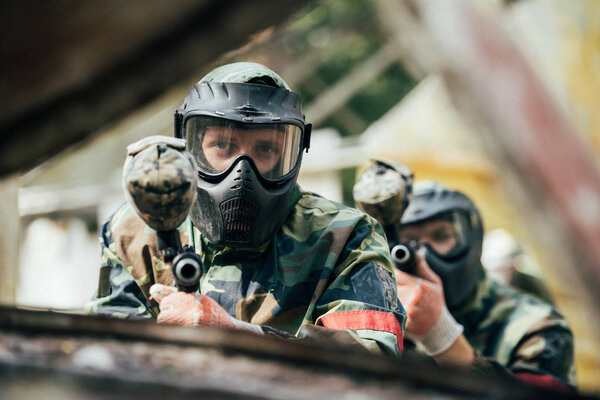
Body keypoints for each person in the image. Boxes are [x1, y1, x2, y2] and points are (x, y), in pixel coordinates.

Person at [85, 62, 406, 357]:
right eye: (223, 145)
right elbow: (106, 358)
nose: (242, 173)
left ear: (292, 154)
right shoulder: (136, 230)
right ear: (189, 143)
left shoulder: (345, 236)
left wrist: (233, 333)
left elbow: (373, 359)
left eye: (265, 149)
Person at [394, 180, 576, 390]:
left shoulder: (535, 326)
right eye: (409, 241)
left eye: (441, 236)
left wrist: (441, 337)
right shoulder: (384, 323)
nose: (425, 253)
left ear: (471, 240)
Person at [481, 228, 554, 304]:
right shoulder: (482, 287)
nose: (497, 274)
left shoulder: (531, 283)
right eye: (494, 270)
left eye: (503, 269)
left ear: (513, 266)